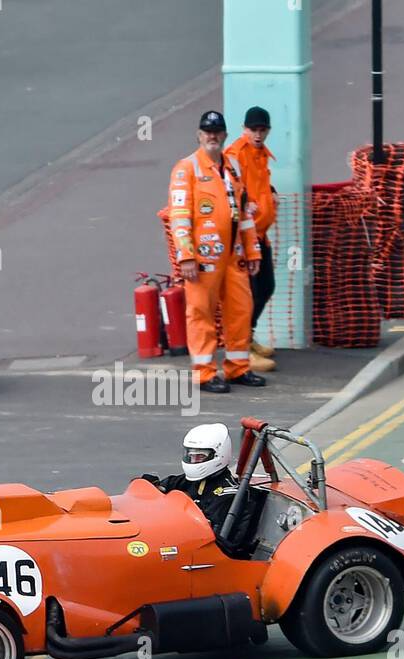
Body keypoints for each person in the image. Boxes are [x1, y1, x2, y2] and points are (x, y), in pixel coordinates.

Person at [166, 111, 268, 394]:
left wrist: (253, 251)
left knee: (240, 311)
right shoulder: (186, 169)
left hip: (234, 256)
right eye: (207, 132)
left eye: (217, 132)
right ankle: (204, 372)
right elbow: (180, 215)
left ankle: (238, 368)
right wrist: (185, 255)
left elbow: (244, 213)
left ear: (224, 135)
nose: (212, 136)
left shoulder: (232, 166)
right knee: (201, 313)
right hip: (202, 258)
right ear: (199, 135)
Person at [140, 423, 265, 558]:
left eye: (199, 457)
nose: (193, 461)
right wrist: (149, 487)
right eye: (190, 456)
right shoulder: (189, 482)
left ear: (218, 455)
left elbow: (216, 543)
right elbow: (159, 489)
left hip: (211, 561)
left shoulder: (228, 495)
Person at [224, 106, 278, 372]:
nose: (258, 134)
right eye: (253, 129)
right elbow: (232, 188)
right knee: (249, 293)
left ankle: (248, 336)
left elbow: (259, 185)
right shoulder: (235, 155)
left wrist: (271, 193)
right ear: (244, 129)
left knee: (266, 286)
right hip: (245, 237)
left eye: (262, 130)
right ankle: (241, 347)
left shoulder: (261, 155)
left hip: (260, 234)